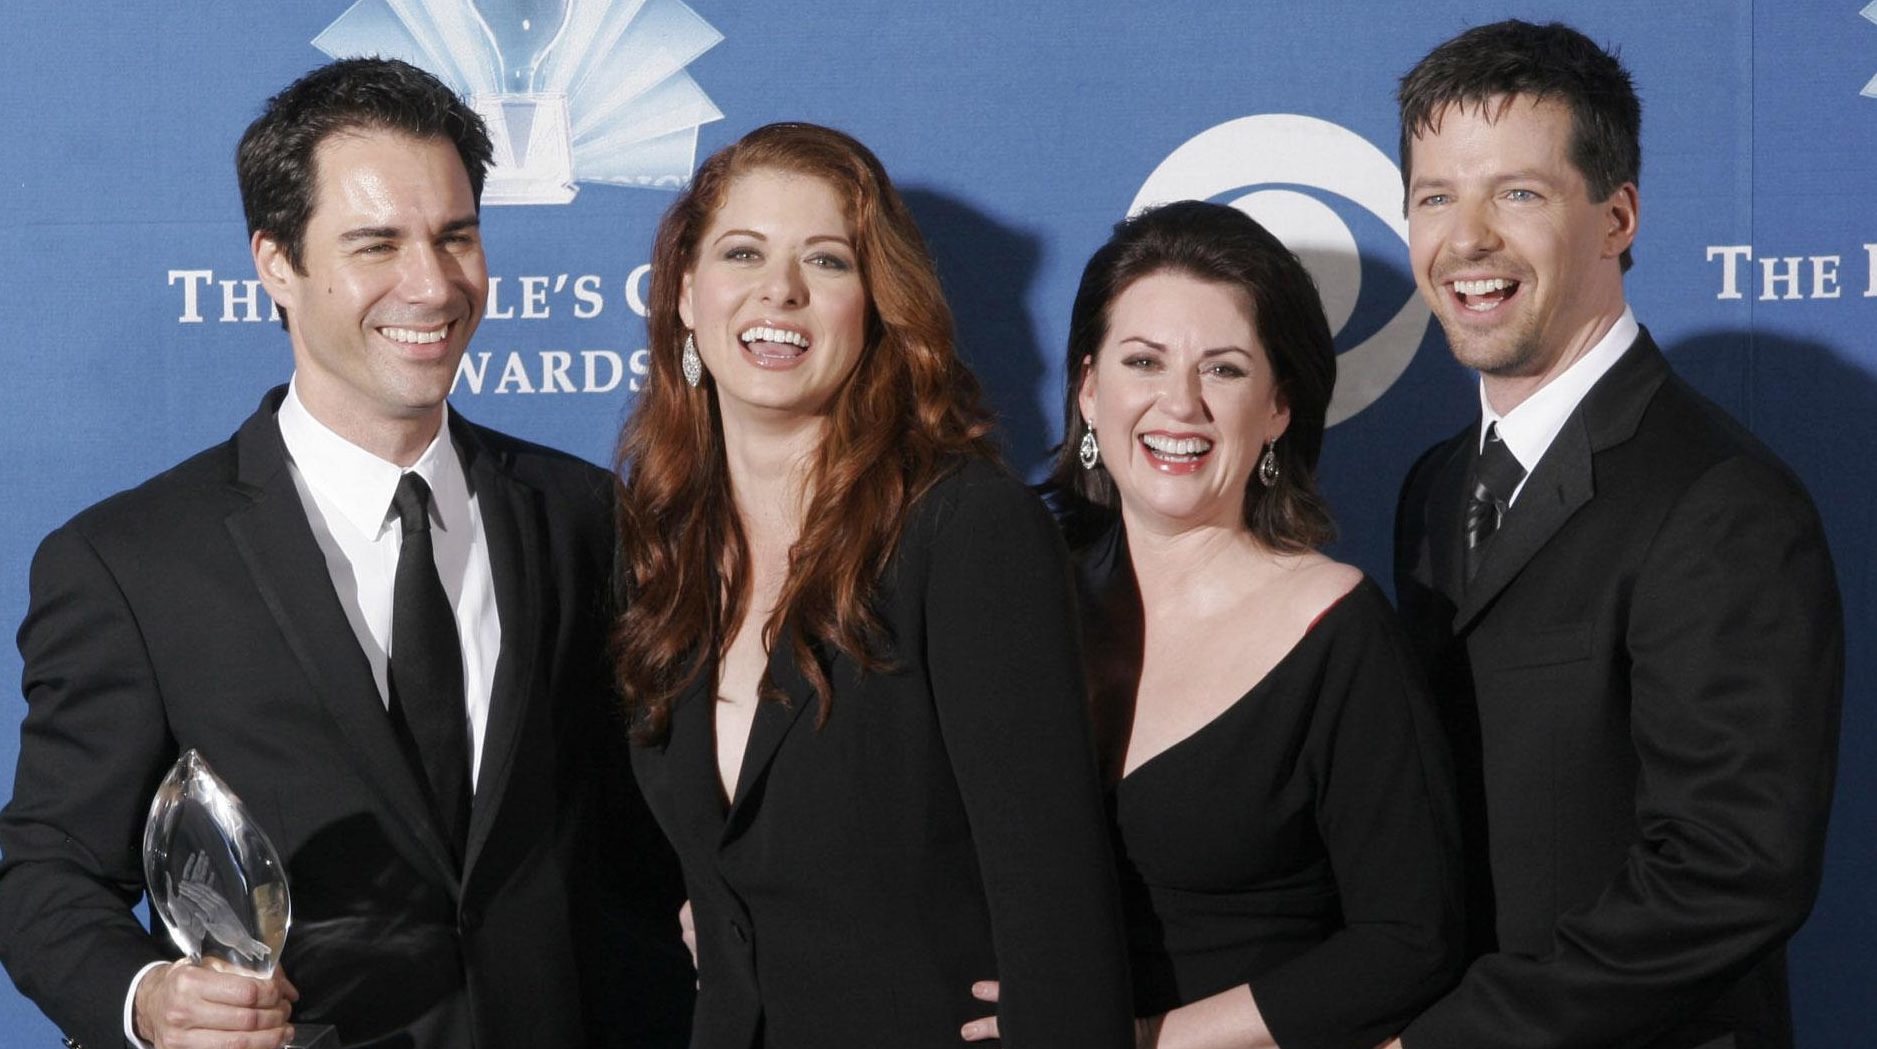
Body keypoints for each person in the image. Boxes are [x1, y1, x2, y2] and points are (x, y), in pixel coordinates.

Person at [0, 57, 690, 1049]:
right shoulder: (130, 562)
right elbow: (51, 868)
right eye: (377, 243)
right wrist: (148, 998)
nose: (433, 282)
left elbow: (658, 834)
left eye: (456, 235)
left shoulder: (581, 512)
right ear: (275, 261)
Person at [614, 121, 1134, 1049]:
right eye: (743, 252)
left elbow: (1056, 899)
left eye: (827, 259)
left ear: (877, 305)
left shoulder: (965, 529)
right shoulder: (660, 549)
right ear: (686, 294)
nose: (780, 289)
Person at [1389, 20, 1843, 1049]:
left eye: (1516, 193)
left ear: (1615, 215)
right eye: (1433, 196)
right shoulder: (1431, 487)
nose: (1465, 240)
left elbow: (1729, 866)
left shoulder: (1723, 502)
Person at [966, 200, 1463, 1048]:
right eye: (1143, 361)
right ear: (1088, 389)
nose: (1179, 403)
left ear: (1276, 408)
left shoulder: (1334, 630)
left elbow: (1411, 943)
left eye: (1223, 369)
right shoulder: (1016, 605)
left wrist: (1143, 1037)